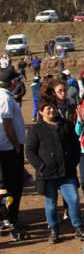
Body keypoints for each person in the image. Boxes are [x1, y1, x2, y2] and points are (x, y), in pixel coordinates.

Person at [26, 95, 84, 243]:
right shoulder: (36, 129)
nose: (52, 110)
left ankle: (78, 228)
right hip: (47, 173)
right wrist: (40, 165)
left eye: (53, 107)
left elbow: (75, 144)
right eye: (48, 109)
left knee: (74, 199)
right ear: (41, 111)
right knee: (51, 203)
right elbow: (30, 151)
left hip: (67, 170)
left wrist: (73, 162)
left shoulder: (64, 125)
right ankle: (53, 229)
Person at [0, 69, 27, 226]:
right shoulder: (5, 98)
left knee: (5, 185)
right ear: (12, 82)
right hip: (8, 148)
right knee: (12, 185)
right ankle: (9, 217)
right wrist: (16, 145)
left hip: (5, 146)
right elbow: (8, 125)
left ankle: (6, 216)